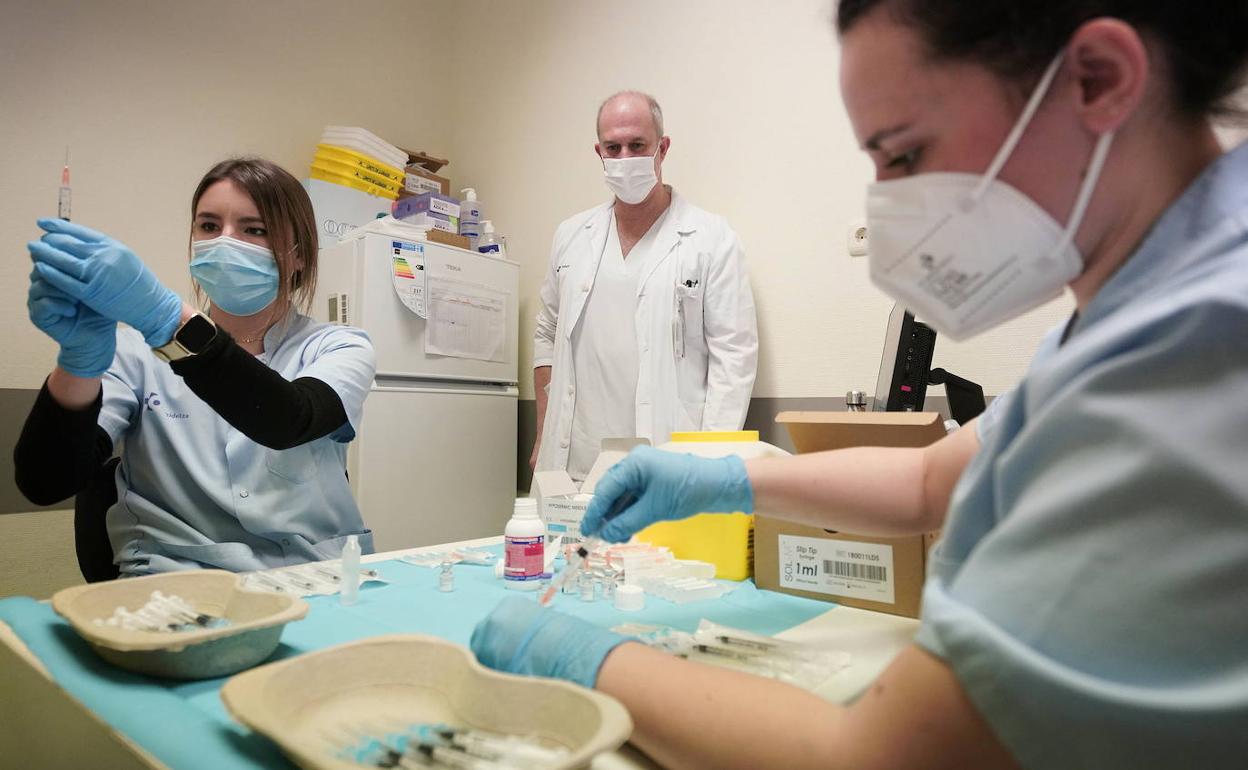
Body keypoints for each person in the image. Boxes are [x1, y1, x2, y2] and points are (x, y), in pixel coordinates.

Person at [471, 2, 1248, 768]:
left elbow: (876, 756)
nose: (889, 202)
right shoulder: (1140, 310)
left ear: (1099, 79)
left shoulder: (1197, 348)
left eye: (903, 155)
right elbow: (926, 478)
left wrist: (581, 658)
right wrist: (724, 478)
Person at [16, 157, 377, 576]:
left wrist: (166, 319)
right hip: (172, 584)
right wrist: (78, 361)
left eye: (254, 229)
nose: (224, 242)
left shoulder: (337, 346)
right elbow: (46, 483)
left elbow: (289, 420)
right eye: (208, 226)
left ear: (299, 255)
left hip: (313, 577)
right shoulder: (133, 353)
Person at [531, 91, 758, 481]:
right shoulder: (571, 236)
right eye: (612, 147)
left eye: (637, 146)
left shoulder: (710, 238)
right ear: (599, 152)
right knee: (564, 545)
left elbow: (733, 356)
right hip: (571, 462)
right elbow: (546, 333)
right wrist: (541, 435)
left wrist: (712, 460)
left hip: (666, 462)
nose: (624, 159)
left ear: (662, 148)